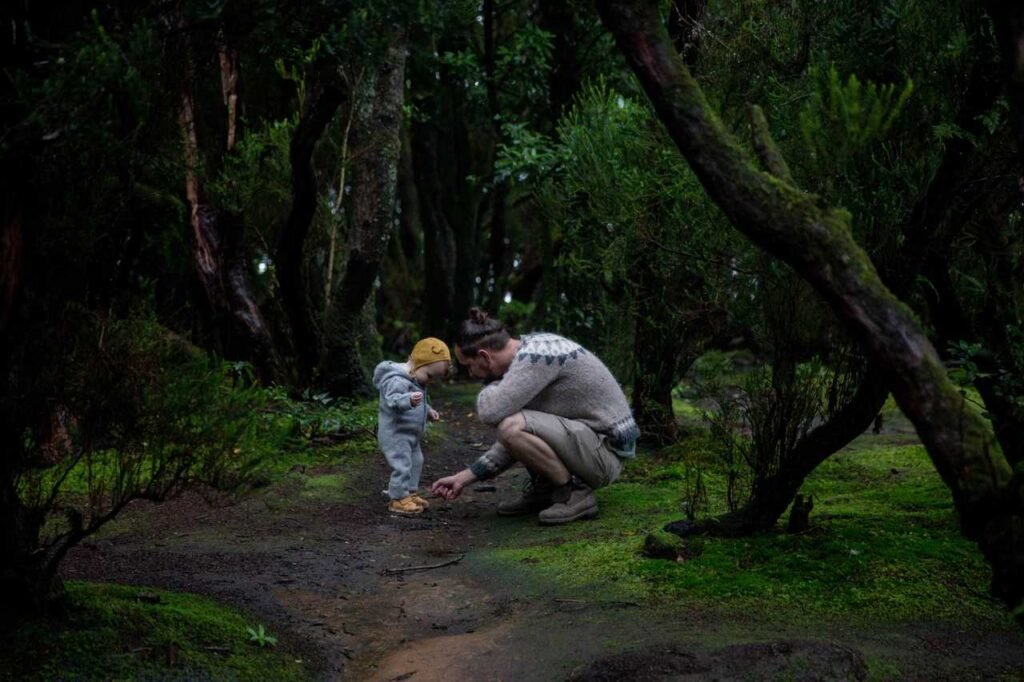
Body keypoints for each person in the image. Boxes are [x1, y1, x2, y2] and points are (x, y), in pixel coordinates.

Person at [431, 308, 639, 525]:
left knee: (511, 425)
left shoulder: (538, 355)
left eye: (468, 366)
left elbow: (490, 412)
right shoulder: (529, 358)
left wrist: (492, 384)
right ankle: (547, 490)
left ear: (484, 356)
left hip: (605, 454)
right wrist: (465, 477)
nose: (471, 374)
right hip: (589, 446)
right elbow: (517, 440)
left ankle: (574, 493)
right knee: (515, 426)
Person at [373, 337, 452, 515]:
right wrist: (407, 400)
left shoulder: (416, 379)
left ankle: (409, 492)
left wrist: (428, 410)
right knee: (402, 465)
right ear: (415, 363)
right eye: (429, 376)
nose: (429, 382)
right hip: (396, 434)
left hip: (411, 435)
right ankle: (398, 499)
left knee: (416, 461)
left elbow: (419, 401)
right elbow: (391, 400)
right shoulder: (396, 380)